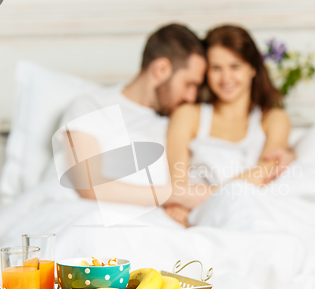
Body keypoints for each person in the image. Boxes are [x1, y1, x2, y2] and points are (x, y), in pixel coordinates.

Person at [60, 23, 295, 218]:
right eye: (189, 84)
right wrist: (178, 195)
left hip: (166, 220)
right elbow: (90, 185)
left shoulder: (171, 118)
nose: (192, 96)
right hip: (104, 218)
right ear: (161, 70)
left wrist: (289, 153)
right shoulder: (92, 106)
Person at [165, 25, 293, 225]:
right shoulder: (188, 115)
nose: (226, 78)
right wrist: (185, 207)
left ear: (252, 68)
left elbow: (267, 171)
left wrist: (206, 198)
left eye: (235, 66)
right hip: (198, 219)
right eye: (216, 68)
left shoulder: (274, 118)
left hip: (251, 214)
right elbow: (178, 183)